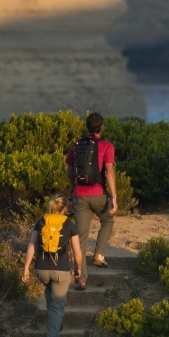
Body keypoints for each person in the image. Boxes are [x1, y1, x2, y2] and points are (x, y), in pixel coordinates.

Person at [22, 194, 82, 337]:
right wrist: (79, 269)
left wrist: (26, 267)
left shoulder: (41, 222)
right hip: (61, 270)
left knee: (50, 293)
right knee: (57, 306)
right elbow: (77, 252)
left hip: (41, 269)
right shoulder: (69, 224)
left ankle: (56, 323)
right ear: (64, 209)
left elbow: (32, 245)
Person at [66, 111, 117, 290]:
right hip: (98, 195)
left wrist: (74, 186)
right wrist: (114, 197)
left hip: (80, 196)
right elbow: (109, 172)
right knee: (107, 221)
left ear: (87, 127)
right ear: (101, 127)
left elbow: (69, 171)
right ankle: (99, 254)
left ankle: (81, 278)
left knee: (80, 238)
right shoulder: (107, 146)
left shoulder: (76, 145)